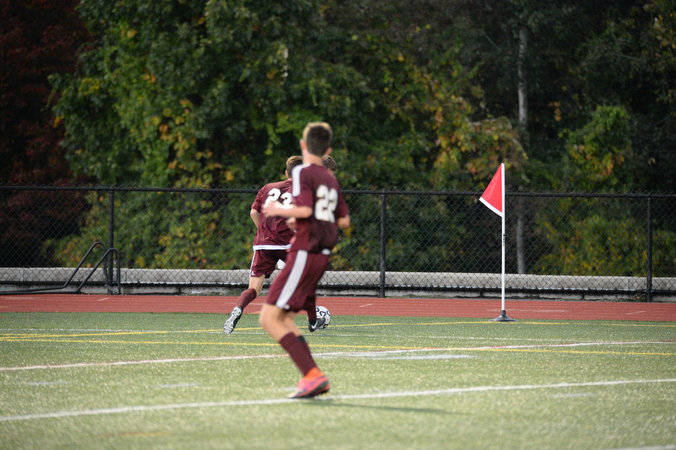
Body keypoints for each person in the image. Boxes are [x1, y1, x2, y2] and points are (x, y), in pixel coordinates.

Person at [259, 122, 350, 399]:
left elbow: (306, 209)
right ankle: (312, 376)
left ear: (303, 146)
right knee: (283, 318)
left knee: (269, 318)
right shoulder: (331, 181)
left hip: (304, 252)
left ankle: (313, 376)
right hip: (320, 255)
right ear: (328, 149)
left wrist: (279, 209)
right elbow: (343, 220)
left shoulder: (303, 173)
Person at [223, 155, 304, 334]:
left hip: (263, 244)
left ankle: (238, 308)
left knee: (254, 289)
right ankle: (307, 316)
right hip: (287, 244)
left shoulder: (267, 188)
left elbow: (253, 212)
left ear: (286, 172)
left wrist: (263, 231)